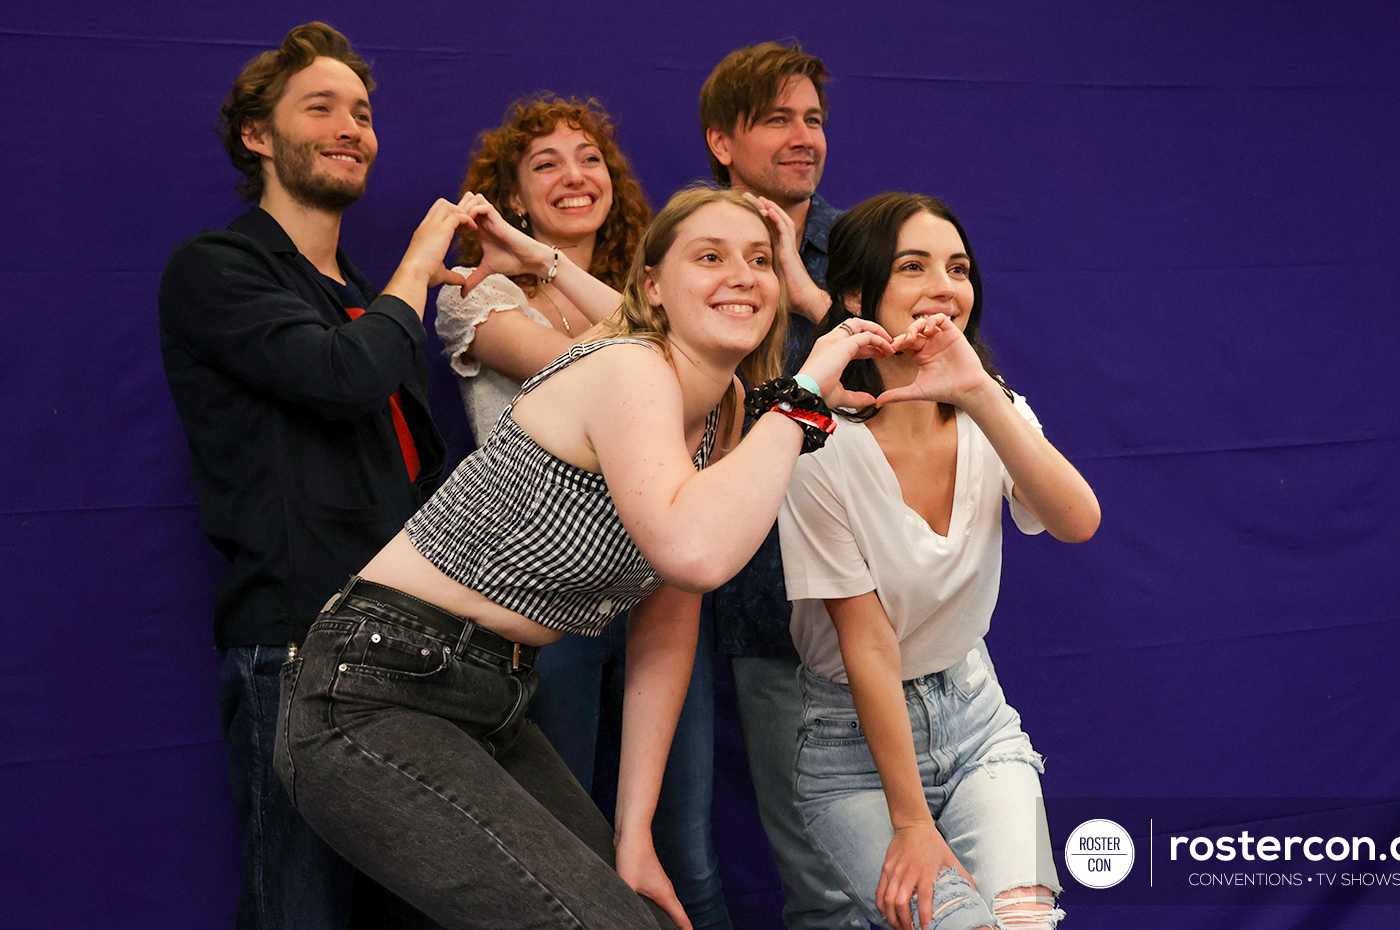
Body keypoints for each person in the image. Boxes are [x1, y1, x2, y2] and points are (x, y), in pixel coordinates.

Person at [275, 186, 898, 930]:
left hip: (491, 698)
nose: (744, 274)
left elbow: (669, 617)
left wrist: (632, 834)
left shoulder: (724, 408)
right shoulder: (629, 369)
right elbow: (695, 552)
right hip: (373, 689)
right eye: (710, 256)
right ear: (653, 288)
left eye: (761, 259)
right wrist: (802, 399)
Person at [157, 22, 472, 929]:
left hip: (403, 655)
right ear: (259, 136)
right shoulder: (217, 269)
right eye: (322, 107)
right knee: (300, 913)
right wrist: (417, 272)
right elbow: (345, 378)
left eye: (364, 113)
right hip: (293, 653)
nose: (352, 128)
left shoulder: (365, 300)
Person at [434, 95, 732, 929]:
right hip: (542, 609)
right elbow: (621, 368)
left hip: (660, 591)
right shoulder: (477, 294)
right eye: (545, 164)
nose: (575, 175)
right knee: (564, 850)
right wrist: (547, 267)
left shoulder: (655, 289)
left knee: (687, 850)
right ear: (514, 200)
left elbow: (689, 361)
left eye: (590, 157)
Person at [778, 193, 1100, 930]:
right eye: (914, 266)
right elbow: (866, 641)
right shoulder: (817, 447)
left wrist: (982, 395)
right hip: (853, 751)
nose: (944, 286)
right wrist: (911, 822)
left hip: (977, 718)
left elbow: (1078, 521)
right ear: (858, 296)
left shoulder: (995, 411)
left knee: (1024, 924)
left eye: (958, 268)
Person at [698, 41, 862, 930]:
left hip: (892, 598)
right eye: (778, 120)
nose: (804, 138)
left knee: (933, 865)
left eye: (815, 120)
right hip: (771, 607)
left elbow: (903, 389)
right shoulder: (692, 250)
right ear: (723, 141)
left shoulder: (868, 246)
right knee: (825, 885)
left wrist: (804, 286)